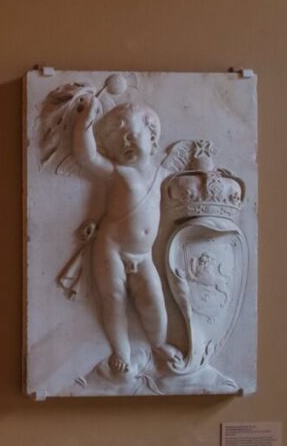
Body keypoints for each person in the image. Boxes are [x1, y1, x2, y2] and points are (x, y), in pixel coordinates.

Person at [74, 99, 183, 375]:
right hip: (110, 247)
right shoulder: (118, 172)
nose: (125, 143)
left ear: (152, 135)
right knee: (114, 298)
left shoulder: (164, 175)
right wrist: (85, 120)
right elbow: (86, 157)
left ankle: (158, 344)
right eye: (116, 141)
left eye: (131, 134)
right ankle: (121, 351)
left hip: (144, 255)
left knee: (154, 301)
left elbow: (188, 190)